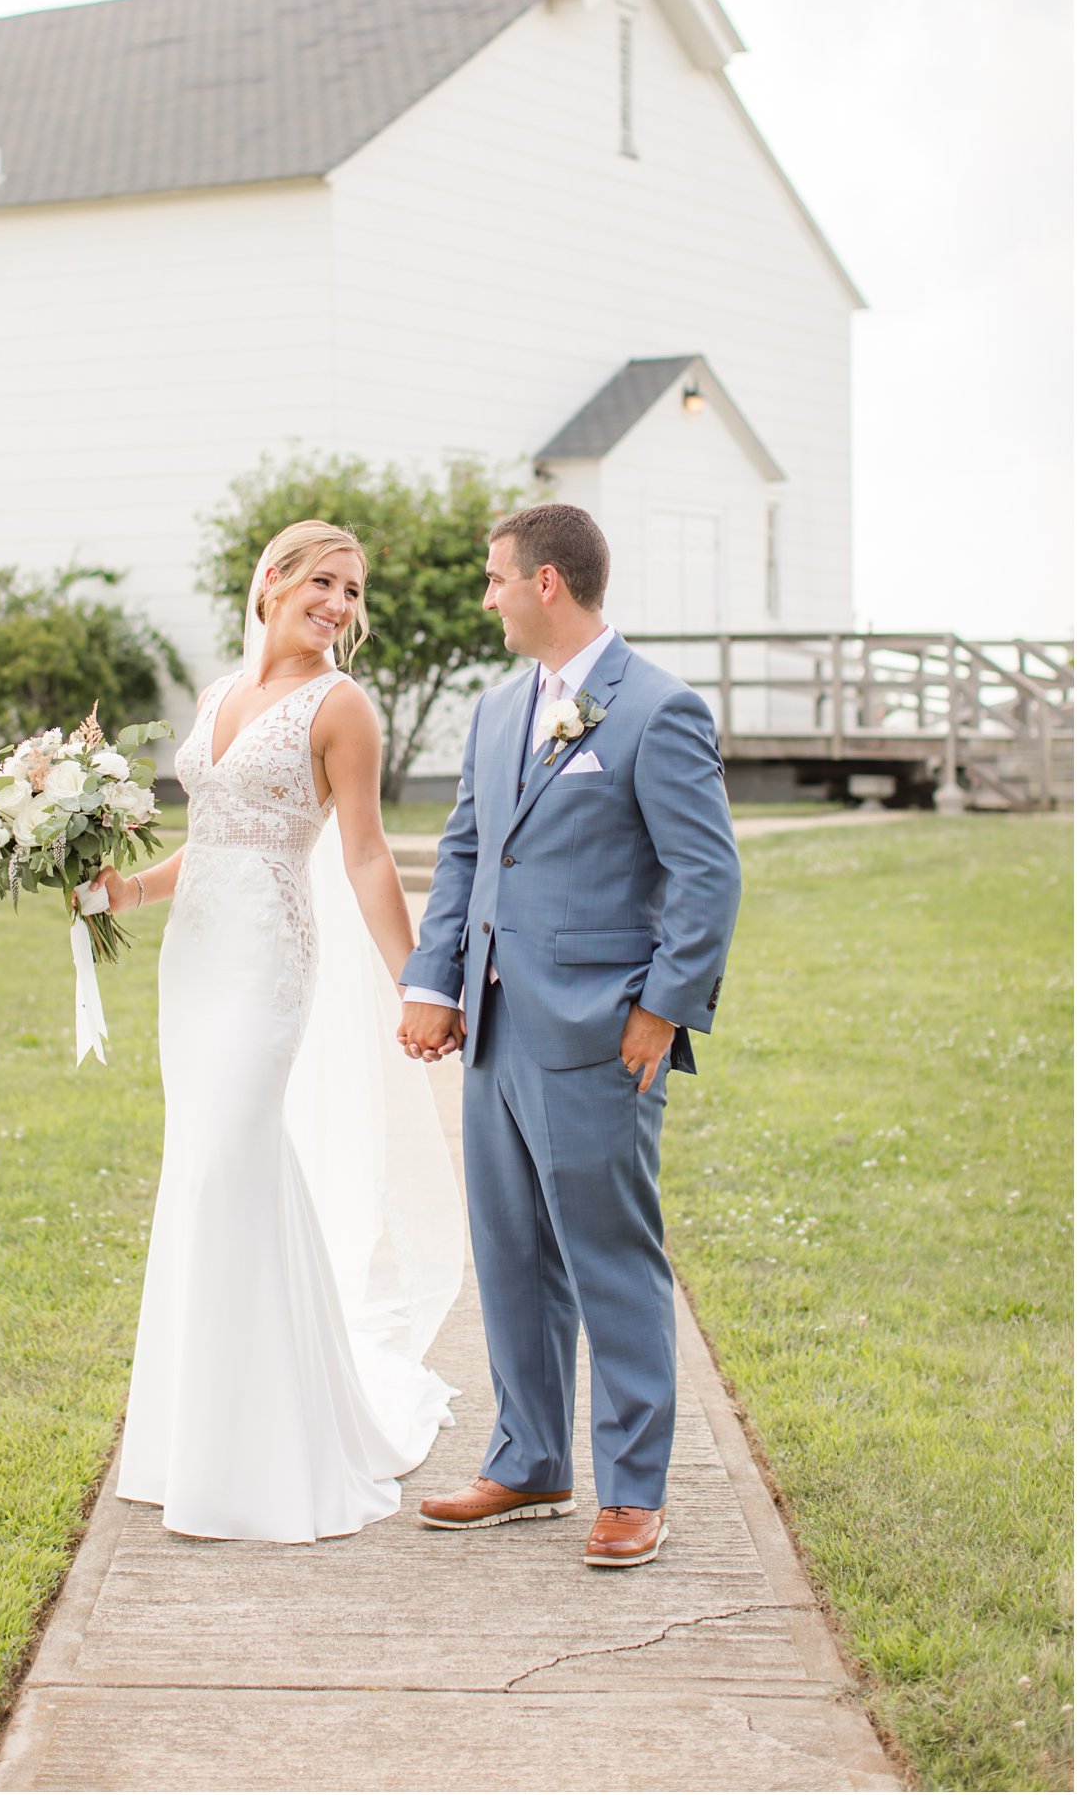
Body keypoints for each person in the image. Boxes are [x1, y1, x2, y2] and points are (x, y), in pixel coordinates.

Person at [92, 520, 460, 1543]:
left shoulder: (341, 708)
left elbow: (366, 859)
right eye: (324, 583)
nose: (339, 605)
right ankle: (189, 1441)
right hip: (195, 961)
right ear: (273, 580)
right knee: (197, 1174)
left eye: (351, 592)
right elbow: (208, 841)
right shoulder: (218, 693)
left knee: (228, 1164)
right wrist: (124, 892)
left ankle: (266, 1454)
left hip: (265, 964)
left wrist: (417, 983)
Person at [398, 503, 741, 1568]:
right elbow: (463, 855)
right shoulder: (498, 712)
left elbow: (705, 874)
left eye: (495, 578)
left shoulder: (656, 709)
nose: (486, 596)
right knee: (509, 1256)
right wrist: (433, 981)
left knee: (608, 1259)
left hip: (600, 1036)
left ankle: (633, 1489)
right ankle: (530, 1459)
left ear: (546, 582)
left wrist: (659, 1007)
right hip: (494, 1030)